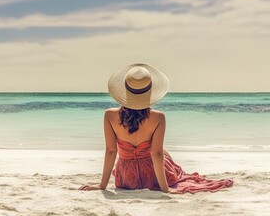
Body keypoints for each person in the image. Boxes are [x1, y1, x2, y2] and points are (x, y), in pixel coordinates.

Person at [78, 63, 233, 194]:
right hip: (151, 176)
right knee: (164, 152)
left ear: (125, 92)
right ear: (150, 93)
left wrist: (102, 186)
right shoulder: (158, 118)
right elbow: (156, 153)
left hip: (125, 179)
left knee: (160, 151)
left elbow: (111, 151)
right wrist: (165, 189)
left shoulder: (109, 116)